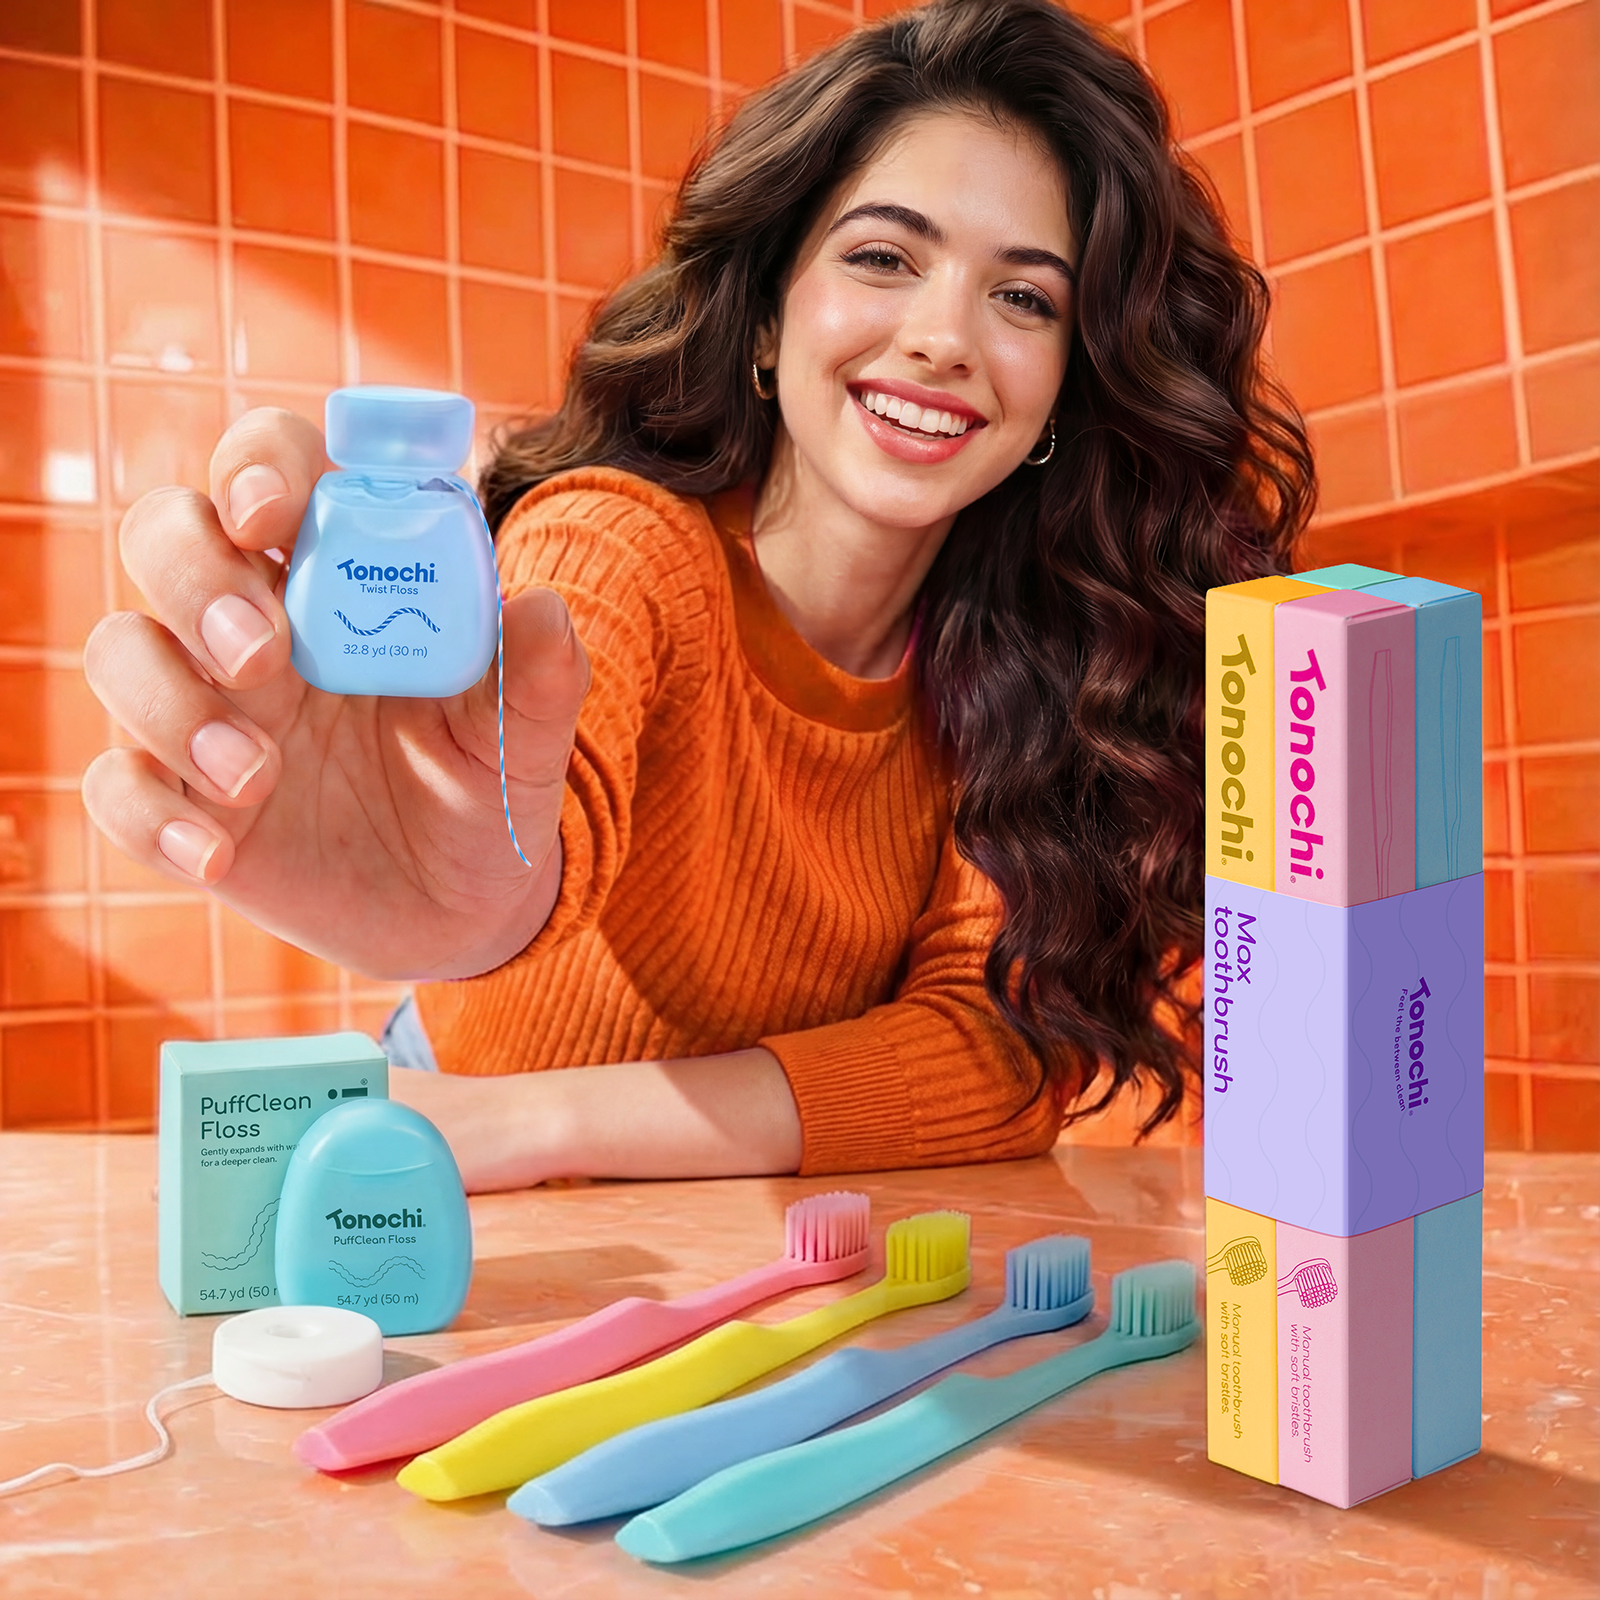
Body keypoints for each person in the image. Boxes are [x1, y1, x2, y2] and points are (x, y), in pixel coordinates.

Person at [81, 0, 1312, 1192]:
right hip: (450, 1176)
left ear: (1062, 390)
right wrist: (458, 913)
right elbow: (529, 840)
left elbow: (993, 1061)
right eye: (883, 256)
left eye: (1023, 297)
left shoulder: (1028, 670)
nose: (945, 337)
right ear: (768, 321)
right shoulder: (617, 545)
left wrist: (540, 1120)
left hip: (565, 1160)